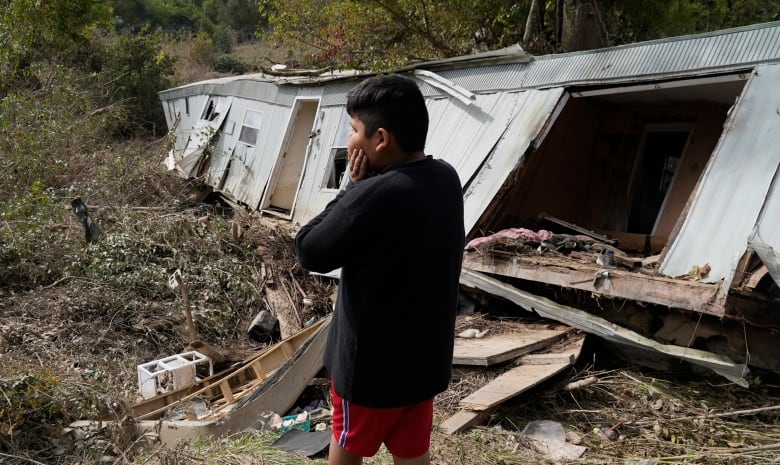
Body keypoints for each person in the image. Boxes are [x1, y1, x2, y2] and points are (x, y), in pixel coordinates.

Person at [294, 74, 465, 465]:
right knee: (412, 453)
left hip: (371, 375)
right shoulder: (446, 179)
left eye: (354, 130)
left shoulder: (375, 196)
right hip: (422, 366)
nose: (350, 140)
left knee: (347, 454)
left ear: (381, 139)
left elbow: (310, 249)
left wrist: (351, 189)